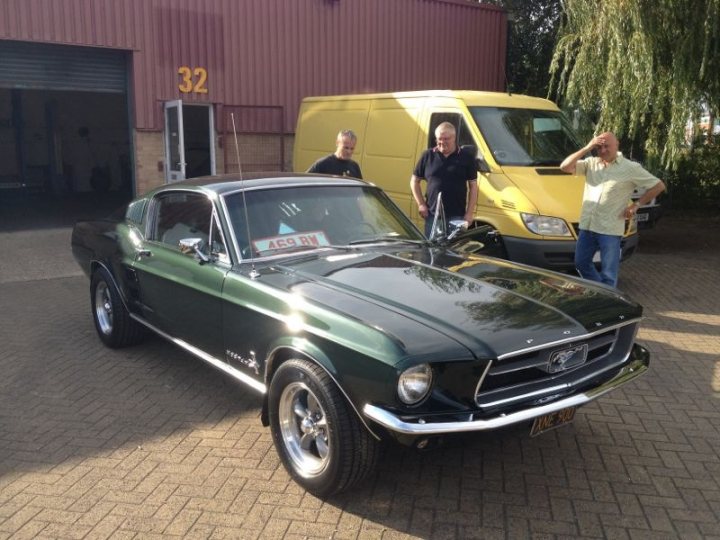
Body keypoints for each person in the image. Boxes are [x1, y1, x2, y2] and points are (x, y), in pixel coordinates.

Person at [560, 132, 666, 287]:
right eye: (599, 147)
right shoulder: (591, 163)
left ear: (617, 145)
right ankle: (602, 293)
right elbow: (564, 167)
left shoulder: (630, 168)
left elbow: (658, 186)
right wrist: (587, 147)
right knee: (581, 263)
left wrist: (636, 205)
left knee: (609, 273)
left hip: (610, 229)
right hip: (588, 226)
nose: (602, 151)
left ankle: (605, 299)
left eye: (606, 146)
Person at [410, 122, 478, 237]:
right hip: (432, 216)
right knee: (432, 251)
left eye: (446, 138)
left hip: (457, 217)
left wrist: (469, 213)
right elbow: (414, 181)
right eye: (439, 139)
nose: (442, 142)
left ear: (454, 138)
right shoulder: (428, 156)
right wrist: (421, 204)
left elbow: (473, 187)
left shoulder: (466, 157)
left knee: (455, 253)